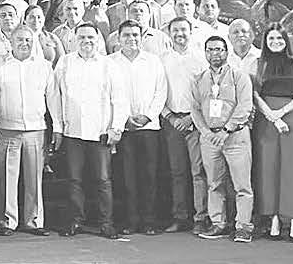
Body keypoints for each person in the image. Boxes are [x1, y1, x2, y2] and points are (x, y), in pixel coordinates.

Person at [47, 23, 126, 240]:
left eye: (90, 37)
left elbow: (120, 99)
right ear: (74, 40)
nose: (86, 41)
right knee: (74, 180)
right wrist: (58, 127)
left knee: (102, 180)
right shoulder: (65, 62)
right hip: (73, 132)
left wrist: (116, 127)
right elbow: (55, 96)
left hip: (100, 132)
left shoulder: (108, 65)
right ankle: (75, 220)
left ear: (98, 39)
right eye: (81, 37)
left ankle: (106, 223)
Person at [190, 36, 254, 243]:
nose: (214, 54)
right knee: (214, 184)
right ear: (205, 53)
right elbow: (195, 109)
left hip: (235, 137)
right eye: (210, 50)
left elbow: (245, 106)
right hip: (209, 138)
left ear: (227, 52)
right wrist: (206, 132)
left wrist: (226, 130)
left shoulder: (239, 77)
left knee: (242, 185)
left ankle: (243, 226)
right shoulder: (199, 79)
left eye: (218, 49)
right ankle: (218, 223)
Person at [249, 26, 293, 241]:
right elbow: (254, 95)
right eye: (271, 38)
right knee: (268, 168)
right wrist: (272, 117)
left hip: (292, 116)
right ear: (265, 42)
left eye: (279, 38)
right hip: (266, 119)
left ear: (286, 40)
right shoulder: (257, 63)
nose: (275, 41)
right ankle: (273, 218)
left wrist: (281, 113)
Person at [110, 20, 167, 236]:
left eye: (135, 35)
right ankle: (130, 221)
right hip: (123, 129)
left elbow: (161, 92)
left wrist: (147, 117)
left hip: (149, 127)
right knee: (127, 177)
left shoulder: (153, 61)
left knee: (149, 176)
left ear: (141, 37)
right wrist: (124, 119)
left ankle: (149, 221)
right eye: (126, 35)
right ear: (118, 38)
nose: (131, 39)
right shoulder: (110, 62)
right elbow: (108, 94)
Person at [0, 26, 51, 236]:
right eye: (19, 39)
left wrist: (57, 128)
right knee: (7, 178)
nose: (24, 43)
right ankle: (7, 221)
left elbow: (52, 98)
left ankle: (34, 221)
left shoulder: (44, 67)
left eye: (28, 39)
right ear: (10, 41)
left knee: (34, 178)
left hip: (36, 129)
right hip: (7, 128)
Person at [159, 16, 209, 234]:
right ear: (169, 33)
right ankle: (180, 217)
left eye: (183, 30)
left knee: (198, 172)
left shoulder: (201, 59)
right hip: (172, 122)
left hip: (196, 122)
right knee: (177, 171)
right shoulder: (162, 60)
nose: (180, 34)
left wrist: (191, 117)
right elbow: (157, 91)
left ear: (191, 32)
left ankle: (201, 217)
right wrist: (170, 117)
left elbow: (207, 93)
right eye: (175, 30)